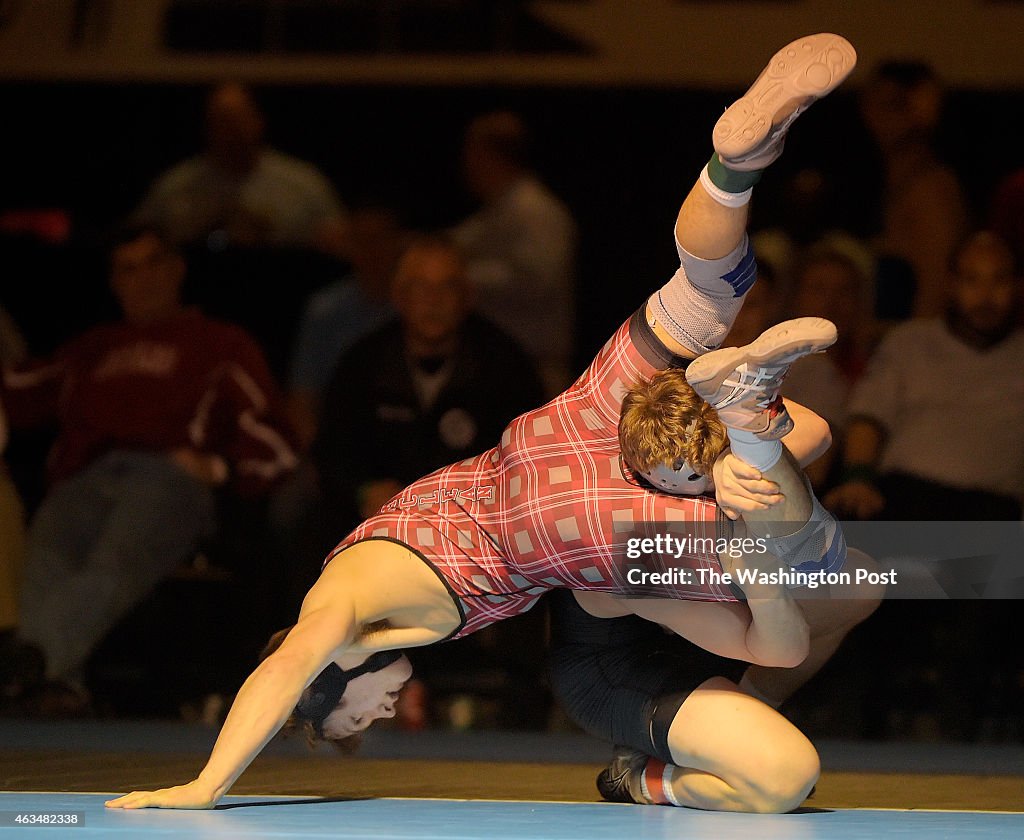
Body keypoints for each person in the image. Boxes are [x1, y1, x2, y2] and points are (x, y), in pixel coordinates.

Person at [106, 32, 876, 813]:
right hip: (551, 436)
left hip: (552, 524)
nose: (365, 723)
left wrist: (207, 785)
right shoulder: (364, 586)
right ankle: (733, 170)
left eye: (342, 718)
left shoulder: (334, 617)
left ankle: (747, 423)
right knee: (711, 294)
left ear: (326, 679)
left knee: (788, 541)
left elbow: (282, 666)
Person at [0, 226, 297, 712]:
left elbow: (278, 443)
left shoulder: (219, 343)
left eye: (152, 264)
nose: (141, 280)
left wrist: (221, 469)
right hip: (84, 476)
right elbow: (17, 390)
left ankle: (28, 662)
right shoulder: (91, 348)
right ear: (114, 281)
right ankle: (55, 683)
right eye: (127, 269)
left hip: (166, 475)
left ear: (177, 269)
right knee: (44, 560)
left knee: (115, 560)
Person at [133, 82, 348, 255]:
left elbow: (341, 242)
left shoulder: (303, 185)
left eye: (236, 122)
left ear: (257, 122)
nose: (230, 134)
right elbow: (135, 239)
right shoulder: (175, 187)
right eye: (220, 124)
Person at [452, 110, 578, 395]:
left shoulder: (536, 212)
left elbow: (538, 282)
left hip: (534, 368)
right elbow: (458, 241)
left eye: (472, 155)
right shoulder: (499, 210)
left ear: (491, 157)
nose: (466, 166)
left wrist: (458, 278)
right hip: (498, 365)